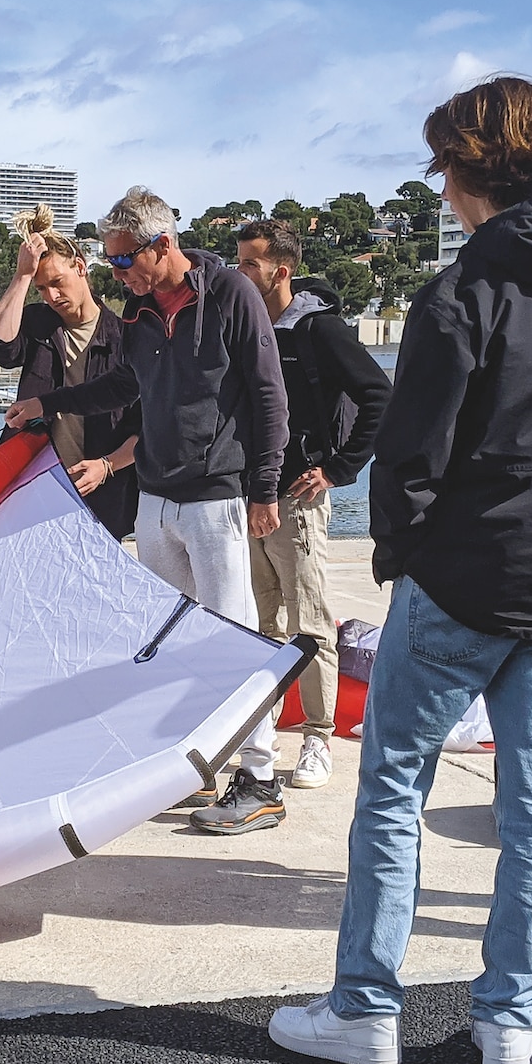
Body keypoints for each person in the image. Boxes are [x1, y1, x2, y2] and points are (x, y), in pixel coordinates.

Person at [267, 77, 532, 1064]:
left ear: (473, 170)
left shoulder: (465, 293)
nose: (439, 187)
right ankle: (511, 1024)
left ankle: (364, 1010)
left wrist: (406, 560)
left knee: (393, 790)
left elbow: (409, 461)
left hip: (455, 585)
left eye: (443, 167)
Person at [5, 185, 292, 832]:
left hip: (218, 496)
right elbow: (122, 387)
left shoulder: (230, 296)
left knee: (234, 637)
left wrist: (265, 488)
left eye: (122, 261)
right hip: (155, 500)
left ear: (163, 246)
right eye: (109, 263)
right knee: (171, 643)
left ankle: (263, 778)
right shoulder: (137, 316)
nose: (117, 274)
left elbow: (269, 395)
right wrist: (47, 405)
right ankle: (193, 766)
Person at [234, 219, 392, 789]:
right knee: (259, 620)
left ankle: (318, 738)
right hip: (247, 491)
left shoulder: (315, 329)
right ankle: (262, 729)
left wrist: (341, 468)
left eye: (250, 264)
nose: (240, 273)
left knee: (310, 618)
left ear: (281, 270)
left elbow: (379, 394)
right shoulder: (244, 325)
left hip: (298, 494)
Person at [0, 203, 141, 538]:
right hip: (33, 487)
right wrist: (22, 275)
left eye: (57, 281)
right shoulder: (39, 324)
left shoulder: (125, 336)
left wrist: (108, 466)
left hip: (103, 493)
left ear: (81, 267)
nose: (52, 295)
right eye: (42, 288)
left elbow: (145, 426)